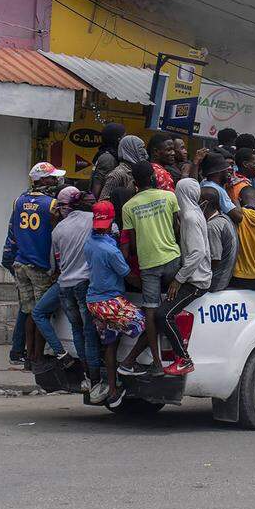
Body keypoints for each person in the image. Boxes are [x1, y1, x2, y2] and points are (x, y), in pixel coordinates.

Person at [118, 161, 181, 376]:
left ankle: (156, 363)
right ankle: (179, 353)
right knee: (171, 308)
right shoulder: (169, 197)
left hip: (148, 265)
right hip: (172, 260)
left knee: (150, 314)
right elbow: (177, 229)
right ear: (153, 178)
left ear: (135, 182)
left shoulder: (128, 206)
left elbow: (132, 242)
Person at [31, 187, 101, 380]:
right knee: (88, 331)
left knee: (77, 329)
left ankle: (81, 368)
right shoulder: (92, 220)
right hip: (85, 282)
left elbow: (53, 266)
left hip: (65, 285)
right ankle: (93, 376)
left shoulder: (58, 229)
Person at [2, 162, 64, 369]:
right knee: (41, 313)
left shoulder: (18, 201)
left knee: (28, 311)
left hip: (21, 263)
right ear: (43, 180)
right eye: (52, 177)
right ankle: (37, 356)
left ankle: (28, 355)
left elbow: (12, 232)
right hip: (41, 266)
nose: (56, 181)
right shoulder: (52, 204)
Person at [84, 200, 145, 407]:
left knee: (111, 342)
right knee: (146, 324)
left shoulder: (89, 242)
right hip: (109, 301)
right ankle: (128, 364)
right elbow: (128, 275)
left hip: (94, 301)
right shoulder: (111, 251)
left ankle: (112, 389)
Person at [156, 178, 212, 376]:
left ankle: (184, 359)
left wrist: (178, 279)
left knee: (163, 315)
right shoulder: (194, 212)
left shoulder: (190, 216)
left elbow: (197, 252)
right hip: (194, 276)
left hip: (196, 281)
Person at [199, 188, 237, 292]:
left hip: (216, 282)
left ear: (204, 204)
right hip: (225, 275)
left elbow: (215, 259)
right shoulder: (224, 217)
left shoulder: (212, 226)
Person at [198, 151, 243, 225]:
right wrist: (232, 193)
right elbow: (239, 217)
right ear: (218, 172)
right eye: (226, 170)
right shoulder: (218, 190)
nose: (229, 172)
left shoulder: (204, 182)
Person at [97, 135, 146, 201]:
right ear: (131, 150)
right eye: (141, 149)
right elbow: (103, 203)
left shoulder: (138, 171)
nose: (145, 153)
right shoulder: (117, 175)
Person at [89, 123, 126, 198]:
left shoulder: (113, 155)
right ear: (118, 139)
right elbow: (97, 186)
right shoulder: (108, 158)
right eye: (124, 137)